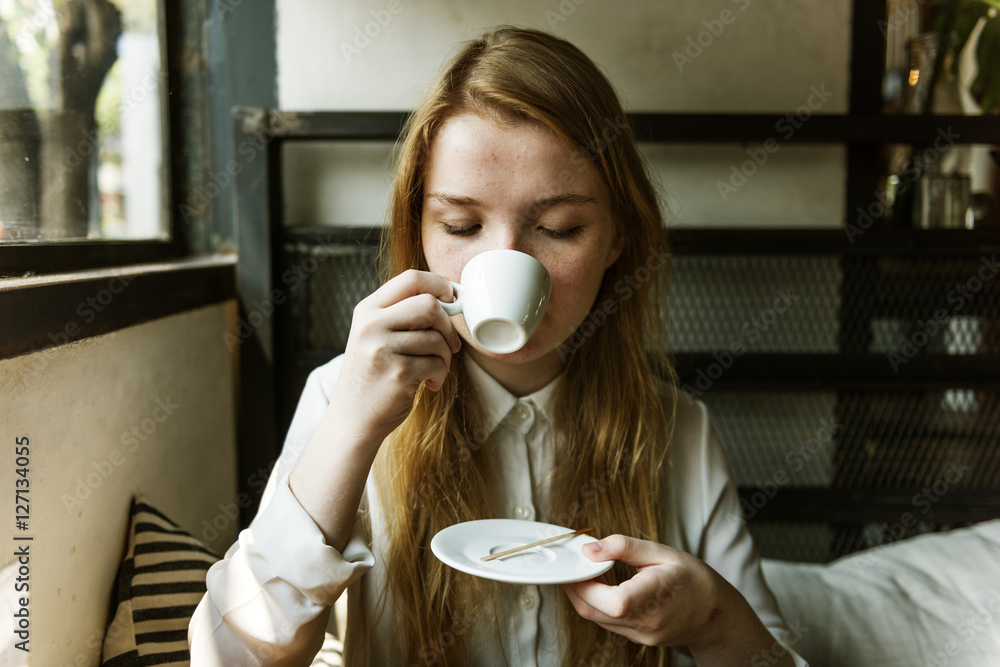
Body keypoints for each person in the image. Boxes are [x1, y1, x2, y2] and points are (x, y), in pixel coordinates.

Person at [189, 26, 808, 667]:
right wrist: (349, 426)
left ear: (617, 239)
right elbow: (229, 657)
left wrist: (710, 618)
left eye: (559, 228)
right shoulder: (343, 396)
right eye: (461, 225)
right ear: (419, 230)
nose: (506, 261)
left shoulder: (679, 431)